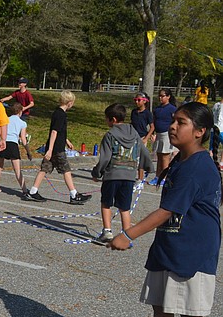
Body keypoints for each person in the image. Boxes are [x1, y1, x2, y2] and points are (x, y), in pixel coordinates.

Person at [112, 102, 221, 317]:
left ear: (199, 132)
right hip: (169, 244)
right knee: (161, 306)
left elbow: (167, 210)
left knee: (190, 313)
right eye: (173, 120)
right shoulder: (181, 160)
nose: (172, 126)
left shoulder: (198, 166)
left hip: (192, 251)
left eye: (181, 122)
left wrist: (128, 234)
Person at [91, 103, 153, 242]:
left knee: (106, 203)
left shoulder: (109, 135)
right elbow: (143, 151)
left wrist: (97, 172)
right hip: (129, 176)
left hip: (112, 175)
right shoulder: (134, 133)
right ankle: (126, 235)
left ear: (113, 119)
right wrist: (149, 166)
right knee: (124, 207)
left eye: (106, 119)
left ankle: (107, 232)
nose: (106, 121)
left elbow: (105, 158)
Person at [24, 90, 92, 205]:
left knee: (44, 169)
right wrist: (50, 149)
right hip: (56, 148)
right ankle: (74, 195)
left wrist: (67, 140)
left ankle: (33, 191)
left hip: (55, 146)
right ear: (69, 102)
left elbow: (59, 131)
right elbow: (54, 132)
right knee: (66, 170)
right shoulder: (61, 115)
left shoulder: (57, 112)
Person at [0, 101, 29, 194]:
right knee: (17, 169)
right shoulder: (22, 123)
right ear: (20, 111)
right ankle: (24, 189)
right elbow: (23, 139)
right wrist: (28, 151)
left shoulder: (5, 119)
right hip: (13, 144)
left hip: (3, 141)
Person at [150, 88, 178, 185]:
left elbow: (176, 122)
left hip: (166, 134)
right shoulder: (157, 109)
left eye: (163, 96)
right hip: (158, 134)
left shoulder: (172, 109)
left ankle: (164, 178)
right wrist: (153, 133)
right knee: (159, 156)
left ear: (168, 97)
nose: (160, 98)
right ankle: (157, 176)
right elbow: (154, 122)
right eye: (159, 96)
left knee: (165, 157)